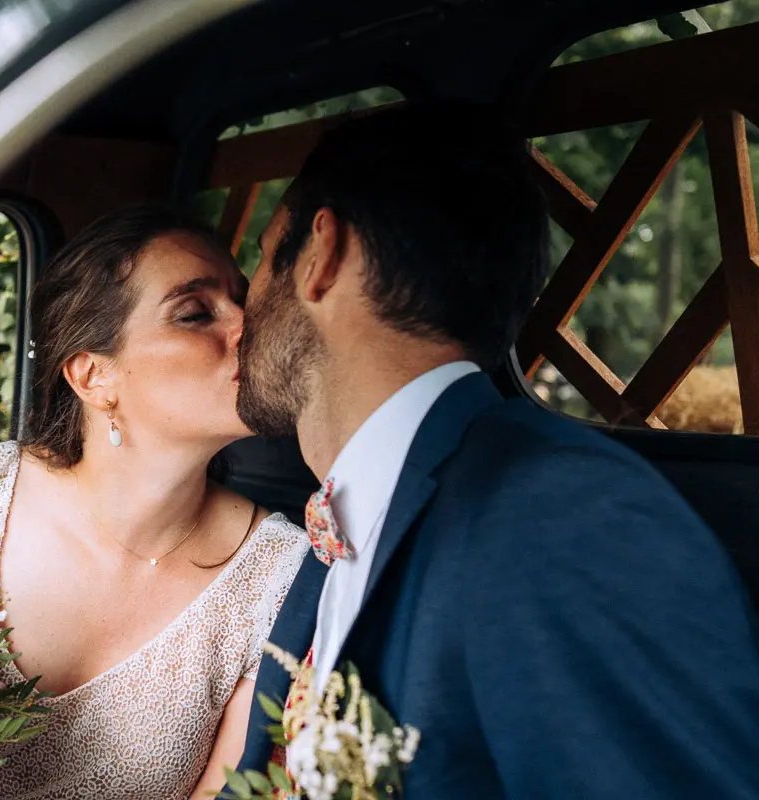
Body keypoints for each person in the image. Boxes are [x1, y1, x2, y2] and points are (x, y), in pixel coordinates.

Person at [233, 102, 759, 797]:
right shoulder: (343, 522)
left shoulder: (566, 518)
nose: (243, 308)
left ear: (321, 256)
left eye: (262, 259)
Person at [0, 205, 308, 799]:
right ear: (92, 376)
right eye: (194, 313)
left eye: (242, 299)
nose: (247, 326)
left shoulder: (279, 575)